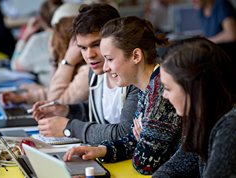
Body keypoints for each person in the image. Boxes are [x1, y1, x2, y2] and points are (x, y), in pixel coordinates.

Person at [63, 16, 182, 175]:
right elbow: (132, 140)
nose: (105, 68)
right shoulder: (146, 87)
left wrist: (142, 139)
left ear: (136, 56)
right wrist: (100, 150)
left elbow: (144, 163)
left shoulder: (160, 91)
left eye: (110, 59)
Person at [32, 3, 139, 145]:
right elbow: (100, 113)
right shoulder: (95, 73)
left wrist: (69, 128)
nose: (89, 55)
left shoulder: (133, 76)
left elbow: (124, 133)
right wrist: (67, 111)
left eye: (96, 45)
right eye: (82, 48)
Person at [151, 37, 236, 177]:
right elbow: (175, 167)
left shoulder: (230, 128)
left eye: (168, 88)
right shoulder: (204, 120)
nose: (164, 96)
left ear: (194, 89)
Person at [0, 3, 89, 106]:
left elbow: (55, 100)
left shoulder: (86, 71)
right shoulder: (78, 65)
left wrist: (67, 62)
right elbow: (60, 91)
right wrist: (24, 97)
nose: (51, 42)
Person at [10, 0, 62, 86]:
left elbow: (15, 66)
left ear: (41, 19)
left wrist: (25, 36)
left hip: (47, 90)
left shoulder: (38, 40)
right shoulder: (75, 38)